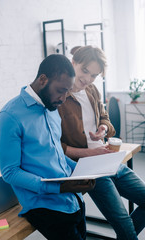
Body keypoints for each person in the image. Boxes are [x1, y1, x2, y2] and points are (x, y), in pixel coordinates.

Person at [0, 54, 95, 240]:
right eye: (60, 91)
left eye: (68, 92)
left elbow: (55, 154)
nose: (64, 98)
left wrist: (81, 171)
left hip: (72, 199)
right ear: (43, 80)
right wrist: (58, 187)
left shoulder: (52, 108)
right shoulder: (9, 116)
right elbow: (10, 172)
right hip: (44, 206)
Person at [58, 46, 145, 239]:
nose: (88, 79)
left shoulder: (92, 90)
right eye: (85, 71)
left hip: (108, 159)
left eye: (94, 75)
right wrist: (89, 154)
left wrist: (102, 129)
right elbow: (56, 148)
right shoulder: (59, 98)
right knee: (124, 224)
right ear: (73, 63)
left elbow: (104, 117)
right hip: (89, 168)